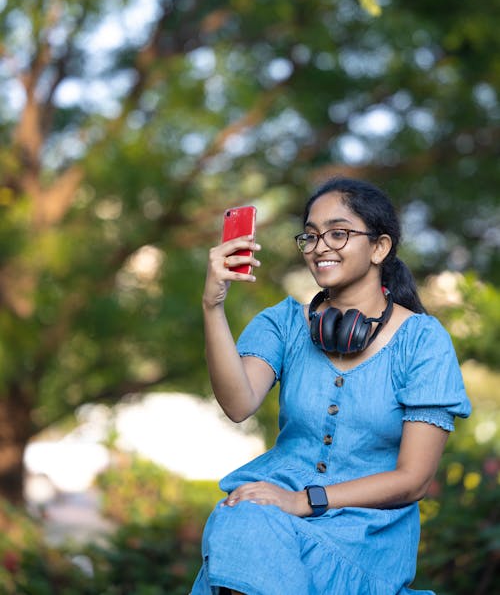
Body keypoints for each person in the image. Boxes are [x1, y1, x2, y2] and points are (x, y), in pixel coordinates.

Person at [190, 176, 471, 595]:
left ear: (380, 247)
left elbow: (413, 479)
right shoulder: (282, 323)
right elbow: (237, 404)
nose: (321, 246)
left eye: (338, 233)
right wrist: (213, 306)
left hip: (364, 537)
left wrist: (303, 501)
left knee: (250, 523)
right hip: (271, 515)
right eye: (311, 236)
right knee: (243, 518)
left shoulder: (423, 342)